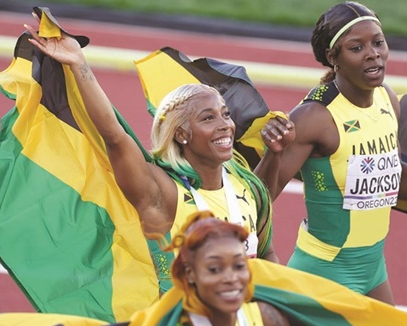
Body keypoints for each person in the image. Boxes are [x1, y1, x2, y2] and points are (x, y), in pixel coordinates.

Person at [24, 16, 294, 293]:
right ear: (181, 134)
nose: (225, 124)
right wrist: (79, 65)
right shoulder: (162, 192)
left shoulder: (247, 186)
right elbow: (115, 137)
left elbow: (266, 253)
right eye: (208, 118)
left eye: (225, 114)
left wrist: (275, 302)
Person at [255, 1, 407, 305]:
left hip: (373, 271)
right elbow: (257, 199)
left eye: (378, 42)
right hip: (325, 274)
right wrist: (274, 155)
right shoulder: (314, 118)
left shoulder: (387, 98)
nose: (373, 53)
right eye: (356, 48)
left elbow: (393, 177)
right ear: (334, 58)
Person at [164, 211, 407, 326]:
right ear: (190, 274)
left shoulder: (263, 319)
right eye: (215, 269)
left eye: (239, 266)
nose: (231, 279)